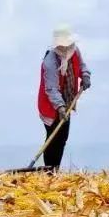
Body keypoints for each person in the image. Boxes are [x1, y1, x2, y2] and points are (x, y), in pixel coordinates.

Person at [38, 25, 91, 172]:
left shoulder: (74, 51)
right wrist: (60, 107)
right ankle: (49, 171)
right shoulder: (50, 61)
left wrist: (85, 76)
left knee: (62, 138)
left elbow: (81, 66)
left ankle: (55, 169)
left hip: (67, 102)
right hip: (50, 105)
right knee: (53, 138)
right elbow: (51, 88)